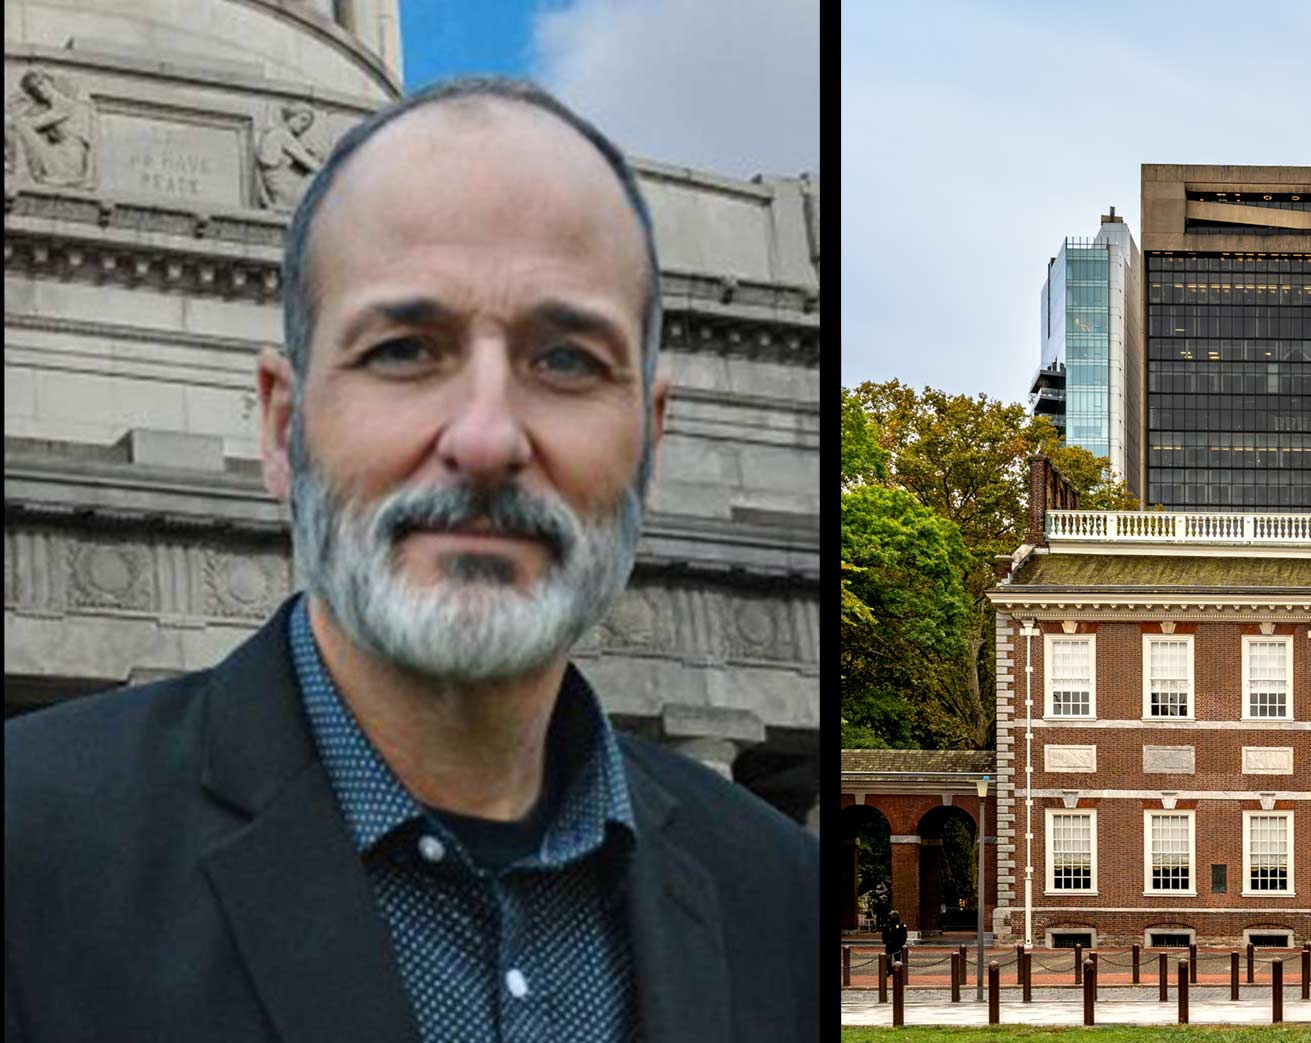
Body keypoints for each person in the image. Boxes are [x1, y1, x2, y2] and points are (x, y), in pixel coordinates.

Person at [3, 77, 818, 1043]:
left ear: (651, 435)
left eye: (565, 360)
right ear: (281, 423)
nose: (484, 437)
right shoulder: (26, 852)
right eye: (401, 350)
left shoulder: (786, 904)